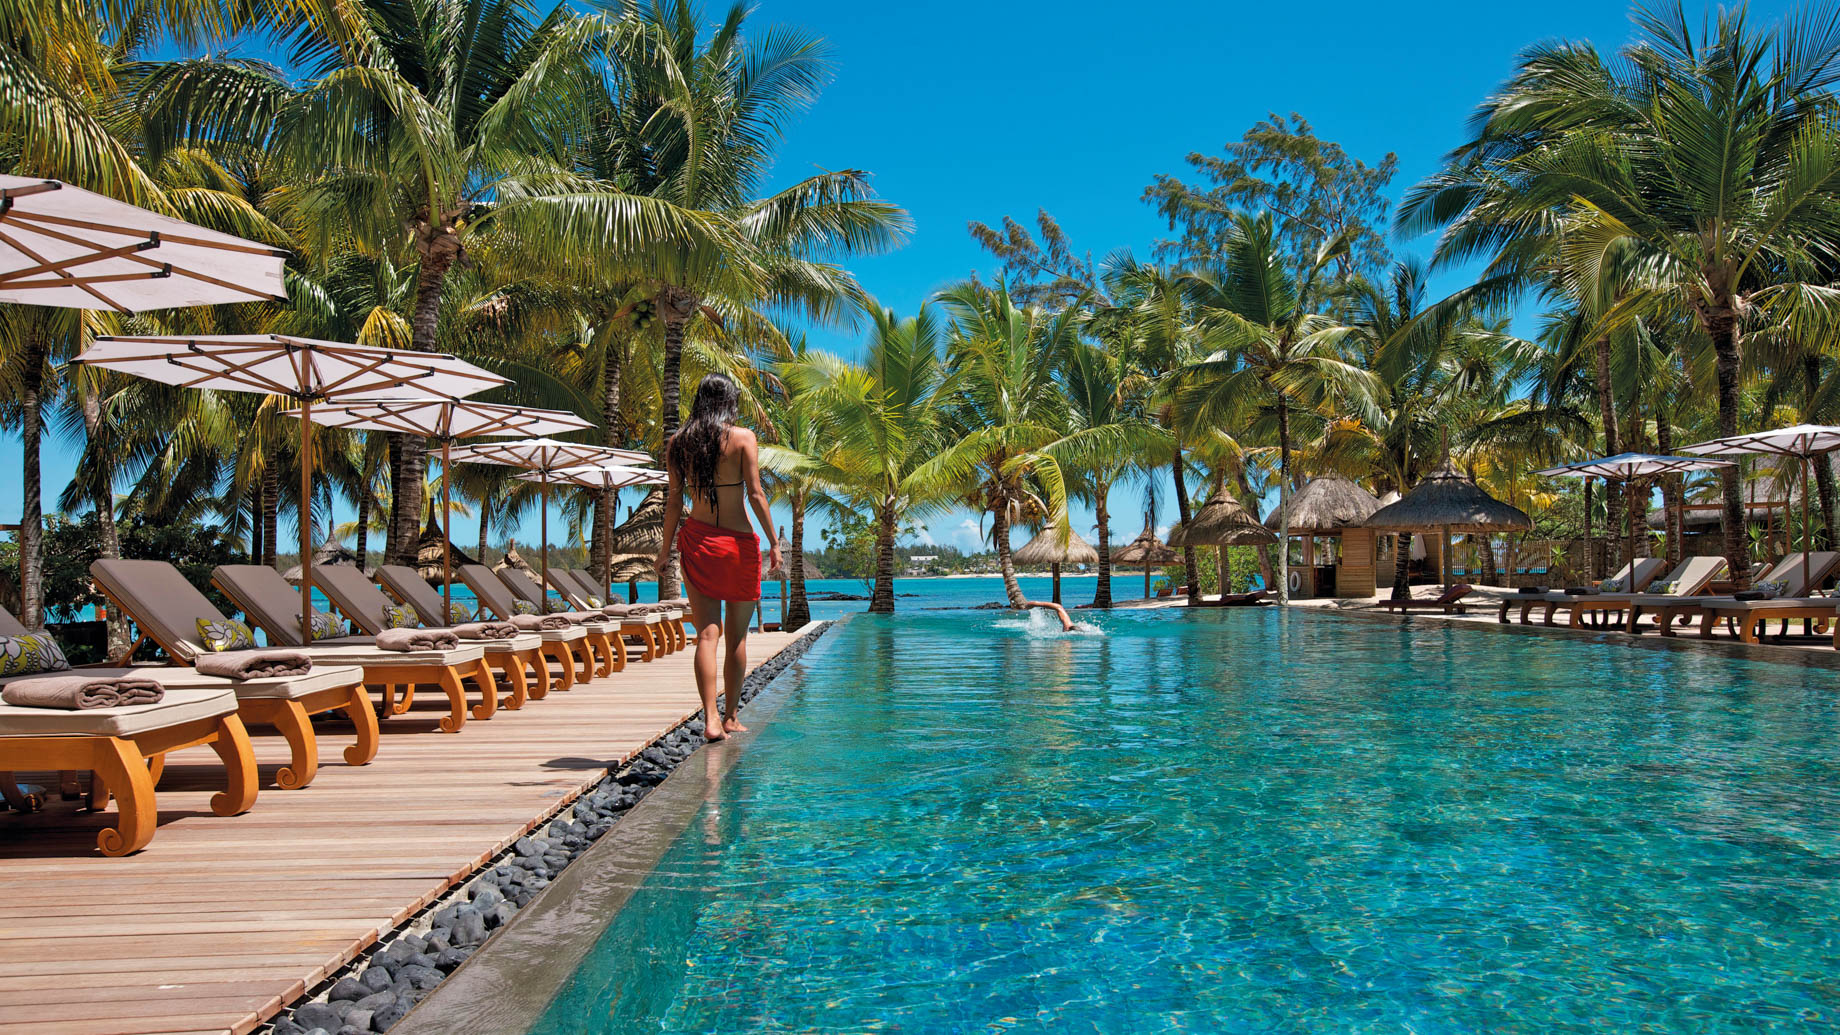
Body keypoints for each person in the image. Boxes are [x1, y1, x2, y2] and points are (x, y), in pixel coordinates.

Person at [657, 374, 781, 742]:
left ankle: (710, 720)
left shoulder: (678, 443)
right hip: (738, 545)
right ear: (730, 402)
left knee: (706, 635)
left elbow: (674, 503)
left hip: (697, 542)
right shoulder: (743, 438)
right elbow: (756, 495)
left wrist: (664, 552)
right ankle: (730, 716)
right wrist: (774, 542)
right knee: (737, 638)